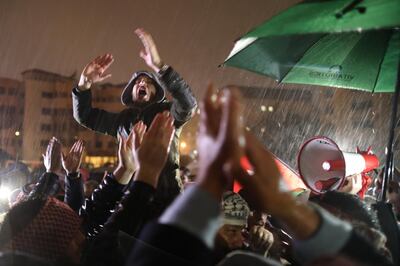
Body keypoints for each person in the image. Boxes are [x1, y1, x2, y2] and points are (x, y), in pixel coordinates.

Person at [72, 28, 197, 214]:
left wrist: (161, 67)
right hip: (130, 199)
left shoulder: (167, 113)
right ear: (131, 91)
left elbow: (188, 105)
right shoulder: (121, 121)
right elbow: (85, 116)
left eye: (148, 82)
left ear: (156, 93)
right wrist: (84, 85)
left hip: (166, 198)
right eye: (138, 81)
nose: (142, 83)